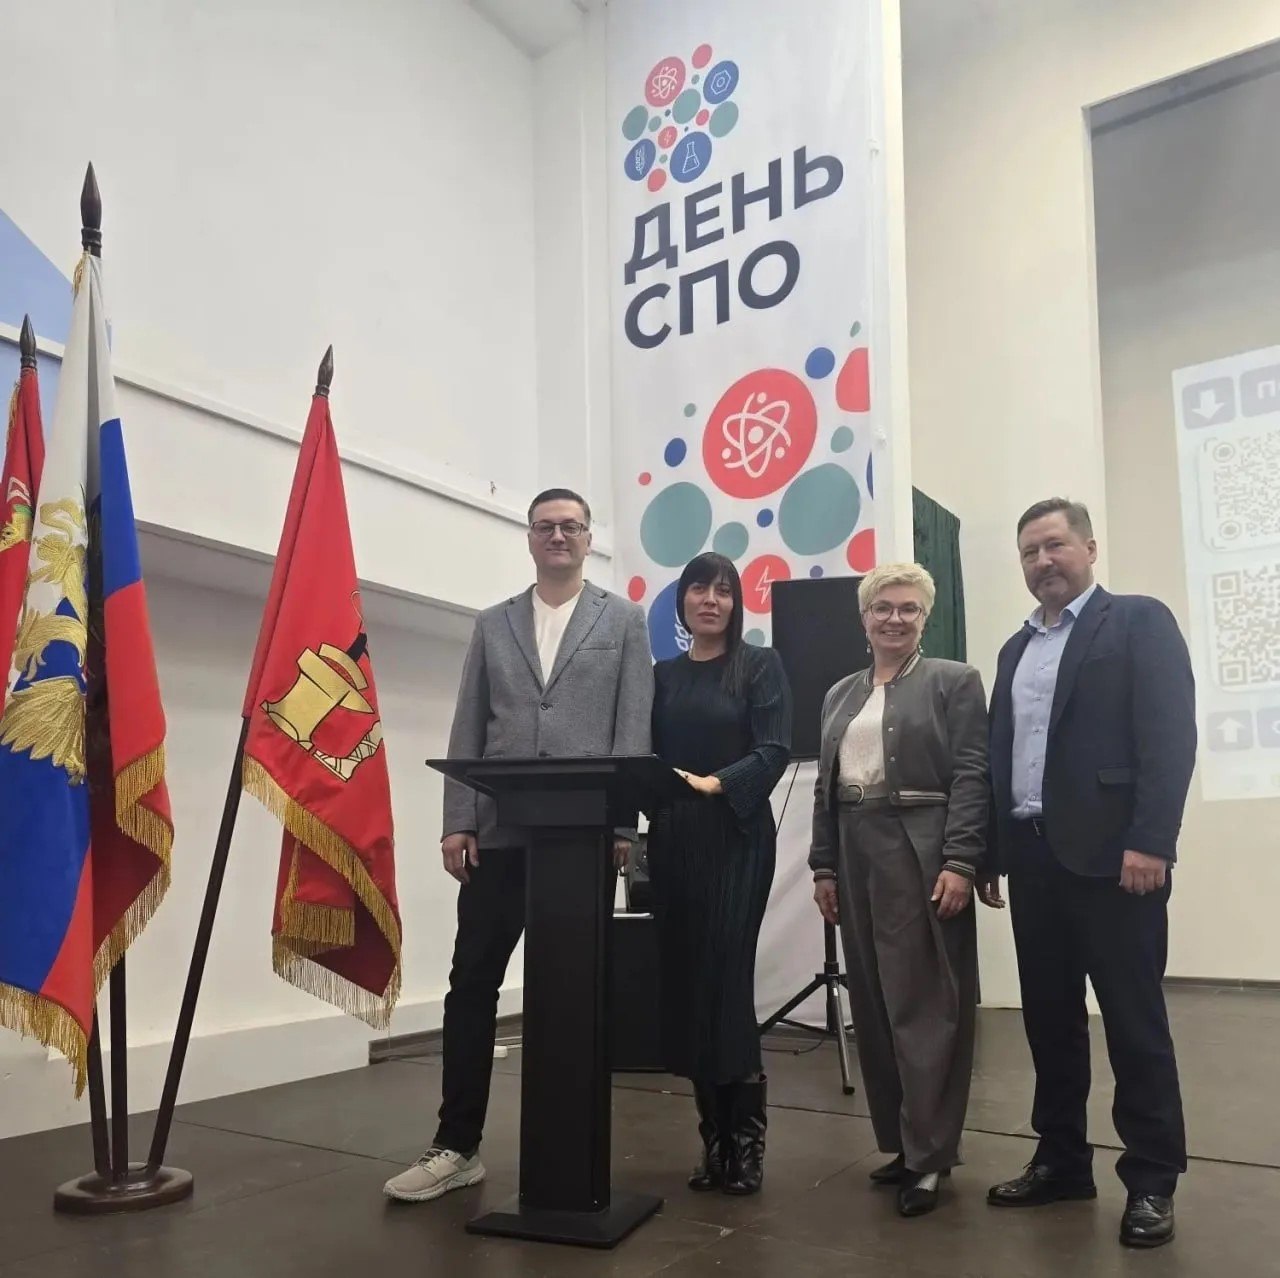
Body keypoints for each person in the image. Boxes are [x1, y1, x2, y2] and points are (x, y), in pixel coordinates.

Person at [383, 488, 655, 1203]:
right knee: (471, 984)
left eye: (571, 526)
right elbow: (469, 723)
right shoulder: (492, 623)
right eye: (545, 526)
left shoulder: (623, 621)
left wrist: (623, 827)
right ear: (530, 538)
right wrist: (458, 819)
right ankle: (456, 1146)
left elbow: (633, 728)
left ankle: (572, 1145)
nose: (558, 536)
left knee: (573, 992)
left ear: (589, 538)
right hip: (499, 833)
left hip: (582, 838)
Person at [982, 498, 1195, 1250]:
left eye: (1055, 545)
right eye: (1029, 552)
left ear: (1090, 548)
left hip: (1116, 862)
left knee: (1134, 1024)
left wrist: (1151, 841)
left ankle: (1152, 1179)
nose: (1043, 561)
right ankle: (1062, 1160)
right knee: (1049, 1022)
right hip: (1033, 858)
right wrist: (994, 854)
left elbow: (1168, 736)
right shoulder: (1014, 649)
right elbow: (1002, 754)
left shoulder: (1137, 621)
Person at [809, 562, 988, 1219]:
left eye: (908, 608)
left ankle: (932, 1156)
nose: (894, 618)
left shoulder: (954, 681)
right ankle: (903, 1145)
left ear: (925, 618)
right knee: (876, 1005)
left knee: (925, 1005)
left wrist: (961, 860)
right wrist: (823, 867)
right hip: (854, 847)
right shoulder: (839, 693)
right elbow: (825, 789)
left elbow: (971, 773)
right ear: (864, 618)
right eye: (882, 607)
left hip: (919, 849)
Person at [647, 552, 791, 1197]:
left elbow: (774, 749)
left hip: (736, 836)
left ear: (737, 602)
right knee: (688, 986)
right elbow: (645, 756)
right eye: (699, 588)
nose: (711, 599)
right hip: (674, 839)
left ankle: (747, 1143)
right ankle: (714, 1140)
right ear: (682, 600)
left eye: (724, 590)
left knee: (726, 983)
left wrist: (716, 783)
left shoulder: (760, 665)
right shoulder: (663, 676)